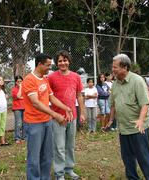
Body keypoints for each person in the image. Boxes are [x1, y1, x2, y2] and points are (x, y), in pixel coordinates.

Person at [106, 54, 149, 180]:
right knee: (127, 157)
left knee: (144, 157)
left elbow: (145, 103)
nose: (113, 70)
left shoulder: (137, 81)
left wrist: (141, 120)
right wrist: (111, 120)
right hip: (123, 128)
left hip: (138, 128)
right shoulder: (116, 83)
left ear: (125, 67)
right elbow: (113, 103)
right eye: (112, 67)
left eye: (115, 67)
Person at [22, 53, 72, 180]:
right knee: (34, 156)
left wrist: (65, 108)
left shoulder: (44, 79)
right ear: (39, 64)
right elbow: (36, 102)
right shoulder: (29, 80)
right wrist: (55, 114)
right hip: (34, 123)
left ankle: (45, 177)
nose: (50, 68)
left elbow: (52, 97)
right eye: (48, 65)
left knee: (47, 155)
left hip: (46, 122)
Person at [48, 50, 85, 180]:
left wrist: (82, 113)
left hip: (73, 117)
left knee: (70, 145)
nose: (62, 63)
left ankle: (69, 169)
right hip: (58, 118)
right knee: (59, 147)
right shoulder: (51, 77)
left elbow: (79, 95)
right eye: (60, 61)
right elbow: (49, 96)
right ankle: (59, 173)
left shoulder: (76, 77)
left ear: (69, 61)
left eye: (65, 60)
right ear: (56, 63)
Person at [12, 75, 26, 144]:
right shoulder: (14, 89)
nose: (19, 83)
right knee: (18, 123)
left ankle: (24, 136)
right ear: (16, 82)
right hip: (17, 108)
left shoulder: (25, 88)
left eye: (21, 81)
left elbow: (25, 97)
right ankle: (17, 138)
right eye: (18, 82)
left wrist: (21, 97)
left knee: (25, 123)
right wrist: (20, 88)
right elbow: (18, 96)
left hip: (24, 107)